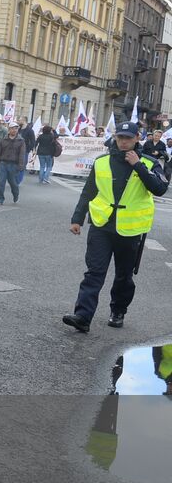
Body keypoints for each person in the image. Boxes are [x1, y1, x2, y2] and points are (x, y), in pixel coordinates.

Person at [63, 122, 167, 333]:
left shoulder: (149, 162)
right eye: (120, 137)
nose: (123, 141)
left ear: (137, 138)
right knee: (94, 272)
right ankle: (83, 316)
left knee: (123, 275)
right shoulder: (102, 162)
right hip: (102, 225)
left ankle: (118, 310)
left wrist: (138, 165)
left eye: (128, 137)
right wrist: (77, 218)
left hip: (129, 230)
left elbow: (159, 188)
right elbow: (89, 191)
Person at [0, 123, 28, 206]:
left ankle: (16, 194)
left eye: (16, 128)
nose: (14, 130)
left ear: (17, 130)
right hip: (3, 163)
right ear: (9, 129)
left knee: (13, 183)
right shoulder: (3, 139)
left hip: (14, 164)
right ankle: (0, 199)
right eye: (12, 128)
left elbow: (22, 154)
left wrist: (20, 165)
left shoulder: (21, 140)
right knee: (1, 181)